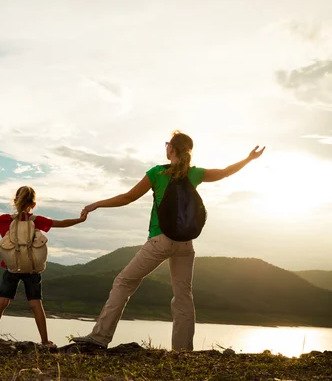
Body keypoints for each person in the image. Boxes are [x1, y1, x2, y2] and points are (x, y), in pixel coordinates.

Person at [72, 131, 265, 351]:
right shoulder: (196, 174)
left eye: (167, 144)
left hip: (160, 240)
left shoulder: (157, 172)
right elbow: (225, 172)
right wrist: (249, 159)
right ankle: (183, 351)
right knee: (183, 296)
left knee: (123, 282)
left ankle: (99, 337)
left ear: (171, 149)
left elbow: (128, 197)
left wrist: (96, 204)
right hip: (186, 244)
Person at [0, 186, 87, 347]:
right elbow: (61, 223)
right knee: (36, 304)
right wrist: (80, 219)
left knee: (2, 302)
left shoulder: (6, 219)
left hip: (11, 268)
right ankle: (45, 341)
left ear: (15, 201)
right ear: (33, 205)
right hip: (32, 268)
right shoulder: (37, 220)